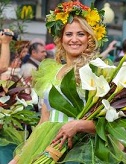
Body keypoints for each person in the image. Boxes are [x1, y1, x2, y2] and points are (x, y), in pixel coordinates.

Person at [9, 1, 108, 163]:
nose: (74, 39)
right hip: (47, 145)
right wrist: (20, 157)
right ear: (61, 39)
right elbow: (43, 120)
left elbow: (109, 123)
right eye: (69, 34)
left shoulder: (97, 71)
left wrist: (77, 125)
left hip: (81, 151)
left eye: (81, 34)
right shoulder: (51, 72)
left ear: (89, 38)